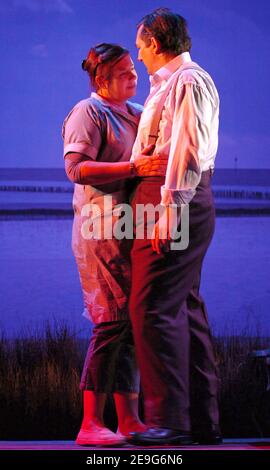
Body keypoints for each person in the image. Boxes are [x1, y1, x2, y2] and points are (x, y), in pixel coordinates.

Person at [62, 43, 167, 446]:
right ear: (101, 79)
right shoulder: (88, 112)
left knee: (132, 324)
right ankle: (90, 423)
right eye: (123, 72)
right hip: (100, 231)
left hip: (131, 229)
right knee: (110, 322)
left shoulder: (137, 113)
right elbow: (76, 168)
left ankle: (129, 420)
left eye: (133, 70)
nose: (133, 76)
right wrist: (132, 168)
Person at [128, 9, 222, 445]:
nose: (138, 52)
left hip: (172, 199)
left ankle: (170, 422)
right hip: (169, 198)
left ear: (157, 42)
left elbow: (185, 150)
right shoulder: (169, 84)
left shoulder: (186, 81)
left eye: (141, 43)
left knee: (151, 307)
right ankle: (201, 420)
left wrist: (170, 211)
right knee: (183, 306)